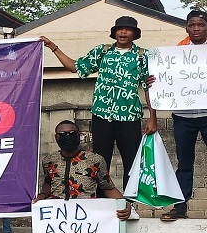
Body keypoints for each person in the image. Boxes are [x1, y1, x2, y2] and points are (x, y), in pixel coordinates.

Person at [40, 17, 157, 205]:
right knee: (100, 163)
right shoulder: (102, 51)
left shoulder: (143, 56)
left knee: (132, 164)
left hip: (129, 117)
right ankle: (102, 205)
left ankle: (130, 205)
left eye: (128, 29)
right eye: (120, 29)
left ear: (135, 33)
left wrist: (153, 118)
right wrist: (54, 47)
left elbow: (150, 88)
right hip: (102, 116)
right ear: (114, 32)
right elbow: (74, 67)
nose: (123, 32)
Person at [161, 10, 207, 221]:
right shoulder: (176, 52)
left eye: (201, 25)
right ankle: (180, 207)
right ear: (186, 28)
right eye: (192, 25)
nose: (196, 28)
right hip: (183, 115)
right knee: (184, 163)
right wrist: (156, 80)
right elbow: (165, 77)